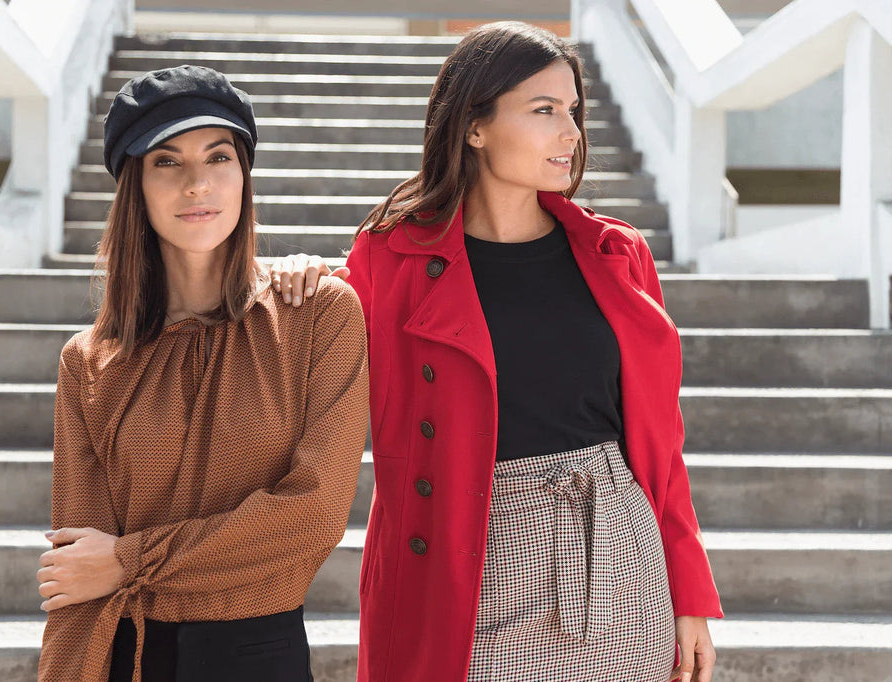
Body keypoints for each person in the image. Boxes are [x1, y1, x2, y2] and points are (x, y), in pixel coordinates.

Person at [271, 21, 722, 682]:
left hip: (619, 552)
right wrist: (303, 275)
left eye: (573, 111)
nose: (570, 132)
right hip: (465, 560)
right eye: (544, 111)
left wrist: (689, 596)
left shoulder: (616, 255)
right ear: (474, 126)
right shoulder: (390, 257)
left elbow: (661, 448)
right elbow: (310, 359)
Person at [35, 65, 369, 682]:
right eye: (167, 161)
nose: (197, 184)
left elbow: (313, 516)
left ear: (244, 175)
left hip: (257, 655)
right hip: (124, 654)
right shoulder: (87, 361)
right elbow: (80, 569)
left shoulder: (318, 317)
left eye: (218, 157)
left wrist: (129, 560)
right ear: (134, 185)